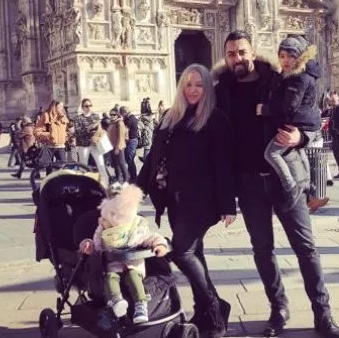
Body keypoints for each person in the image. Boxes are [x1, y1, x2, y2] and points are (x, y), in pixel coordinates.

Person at [213, 30, 339, 338]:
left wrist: (302, 137)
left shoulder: (278, 77)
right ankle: (278, 308)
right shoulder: (221, 91)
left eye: (242, 52)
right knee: (262, 250)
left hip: (287, 180)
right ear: (226, 57)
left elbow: (312, 118)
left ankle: (323, 313)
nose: (237, 58)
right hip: (248, 182)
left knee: (306, 248)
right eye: (231, 54)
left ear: (252, 52)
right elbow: (214, 139)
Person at [138, 64, 237, 338]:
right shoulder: (170, 117)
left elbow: (223, 164)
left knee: (183, 252)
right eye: (188, 84)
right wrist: (135, 190)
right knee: (194, 253)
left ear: (208, 89)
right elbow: (153, 158)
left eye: (199, 85)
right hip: (174, 199)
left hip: (202, 200)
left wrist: (228, 204)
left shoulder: (214, 119)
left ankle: (215, 313)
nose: (193, 90)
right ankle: (206, 310)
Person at [79, 185, 169, 324]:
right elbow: (96, 244)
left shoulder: (136, 228)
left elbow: (151, 237)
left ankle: (141, 305)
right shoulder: (103, 228)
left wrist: (160, 245)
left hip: (133, 265)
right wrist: (88, 245)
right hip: (112, 266)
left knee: (133, 277)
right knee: (110, 278)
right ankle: (117, 301)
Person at [256, 35, 322, 203]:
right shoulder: (299, 74)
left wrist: (265, 109)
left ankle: (291, 186)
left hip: (300, 123)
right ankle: (308, 186)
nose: (285, 60)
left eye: (291, 56)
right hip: (307, 123)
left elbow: (289, 106)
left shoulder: (298, 77)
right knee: (300, 150)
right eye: (282, 56)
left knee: (271, 153)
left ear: (299, 58)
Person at [73, 98, 111, 184]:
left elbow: (99, 130)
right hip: (83, 145)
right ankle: (83, 184)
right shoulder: (78, 118)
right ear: (82, 107)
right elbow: (77, 133)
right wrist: (88, 129)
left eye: (90, 105)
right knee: (83, 165)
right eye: (86, 106)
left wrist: (98, 130)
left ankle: (106, 183)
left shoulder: (95, 116)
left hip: (95, 144)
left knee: (101, 164)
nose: (89, 107)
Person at [107, 110, 129, 186]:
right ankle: (118, 180)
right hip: (112, 147)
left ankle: (126, 180)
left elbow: (121, 137)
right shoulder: (112, 123)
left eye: (114, 114)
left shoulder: (119, 123)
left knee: (122, 163)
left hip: (119, 147)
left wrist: (118, 148)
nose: (112, 116)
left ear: (117, 115)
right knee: (116, 164)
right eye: (111, 114)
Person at [120, 106, 139, 182]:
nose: (122, 116)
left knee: (130, 160)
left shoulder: (129, 119)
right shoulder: (133, 117)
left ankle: (134, 177)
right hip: (134, 140)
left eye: (122, 114)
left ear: (124, 112)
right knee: (130, 159)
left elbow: (125, 131)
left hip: (131, 141)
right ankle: (130, 175)